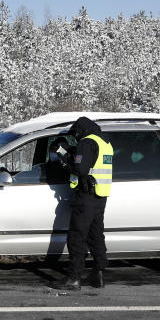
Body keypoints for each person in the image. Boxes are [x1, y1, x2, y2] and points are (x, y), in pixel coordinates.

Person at [50, 116, 113, 291]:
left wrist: (63, 161)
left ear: (81, 131)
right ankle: (98, 274)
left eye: (76, 134)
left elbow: (80, 169)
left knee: (77, 237)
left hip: (85, 197)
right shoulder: (104, 143)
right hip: (100, 196)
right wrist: (71, 152)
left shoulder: (86, 142)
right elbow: (92, 163)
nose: (75, 138)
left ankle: (74, 278)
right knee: (96, 235)